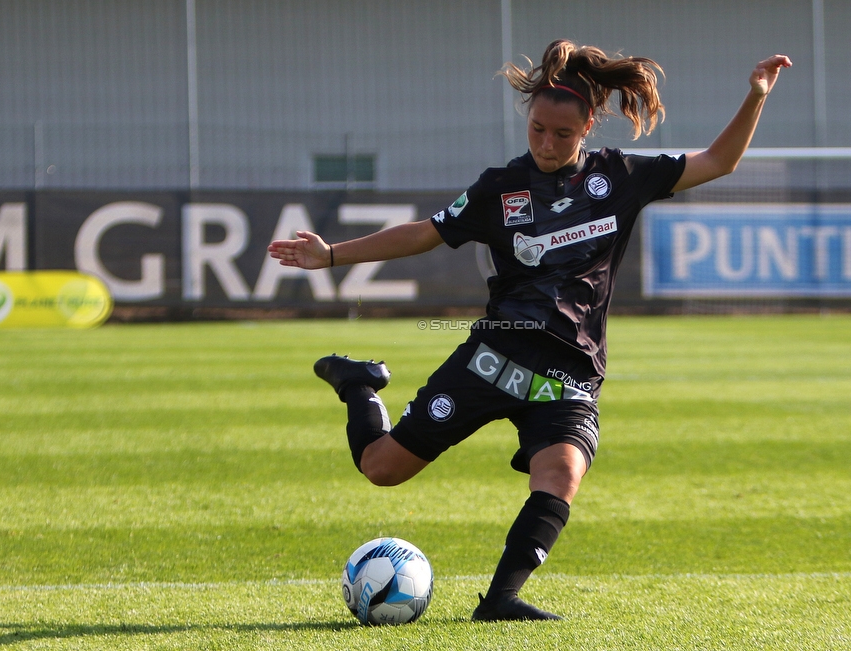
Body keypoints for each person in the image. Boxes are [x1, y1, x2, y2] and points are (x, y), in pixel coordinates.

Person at [269, 40, 791, 621]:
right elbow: (424, 232)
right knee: (381, 470)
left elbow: (719, 162)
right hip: (496, 357)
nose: (546, 144)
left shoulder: (620, 176)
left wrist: (755, 97)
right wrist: (332, 255)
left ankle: (500, 600)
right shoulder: (501, 187)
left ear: (588, 126)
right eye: (537, 129)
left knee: (563, 469)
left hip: (568, 371)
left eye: (560, 134)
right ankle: (359, 385)